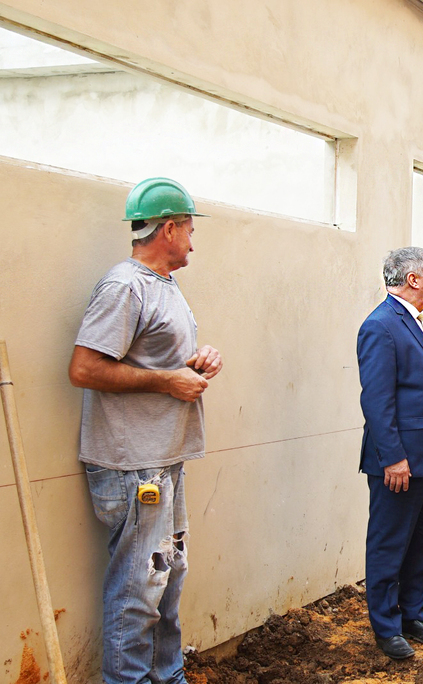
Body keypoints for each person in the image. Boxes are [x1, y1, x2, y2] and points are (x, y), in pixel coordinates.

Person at [68, 177, 222, 684]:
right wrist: (165, 382)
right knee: (138, 591)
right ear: (170, 228)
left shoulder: (165, 288)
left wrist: (195, 364)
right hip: (133, 468)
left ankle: (167, 677)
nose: (194, 242)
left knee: (165, 581)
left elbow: (160, 363)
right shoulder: (124, 286)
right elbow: (85, 369)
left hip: (163, 460)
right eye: (191, 229)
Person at [357, 246, 423, 661]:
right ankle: (386, 627)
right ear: (413, 279)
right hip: (401, 462)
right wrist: (393, 457)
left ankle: (414, 616)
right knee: (389, 543)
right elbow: (377, 401)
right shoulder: (381, 326)